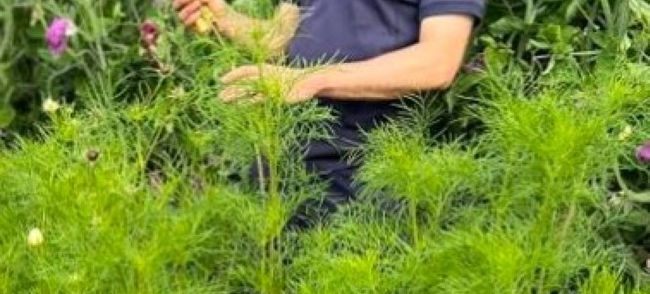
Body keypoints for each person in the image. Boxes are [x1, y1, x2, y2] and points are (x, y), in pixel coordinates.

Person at [174, 0, 487, 218]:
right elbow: (287, 38)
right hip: (282, 168)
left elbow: (437, 61)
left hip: (363, 172)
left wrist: (312, 80)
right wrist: (226, 19)